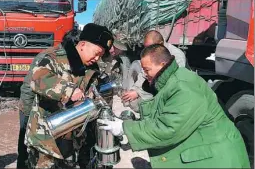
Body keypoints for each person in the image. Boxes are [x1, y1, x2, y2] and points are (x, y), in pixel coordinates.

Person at [98, 44, 250, 168]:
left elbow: (168, 128)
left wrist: (125, 128)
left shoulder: (183, 86)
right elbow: (162, 113)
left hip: (219, 159)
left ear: (162, 64)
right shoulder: (172, 80)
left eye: (147, 70)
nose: (145, 74)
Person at [21, 23, 114, 169]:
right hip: (46, 140)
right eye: (96, 53)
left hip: (72, 142)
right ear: (83, 44)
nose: (97, 58)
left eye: (100, 56)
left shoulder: (92, 69)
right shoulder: (54, 57)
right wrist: (68, 90)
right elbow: (37, 79)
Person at [16, 28, 81, 169]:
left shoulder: (71, 59)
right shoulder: (48, 56)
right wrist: (27, 116)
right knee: (25, 149)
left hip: (52, 115)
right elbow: (30, 87)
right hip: (31, 108)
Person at [122, 30, 188, 112]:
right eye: (145, 47)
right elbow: (144, 74)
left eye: (150, 47)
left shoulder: (177, 56)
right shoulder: (151, 54)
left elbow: (172, 85)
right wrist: (136, 90)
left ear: (160, 43)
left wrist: (141, 93)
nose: (147, 50)